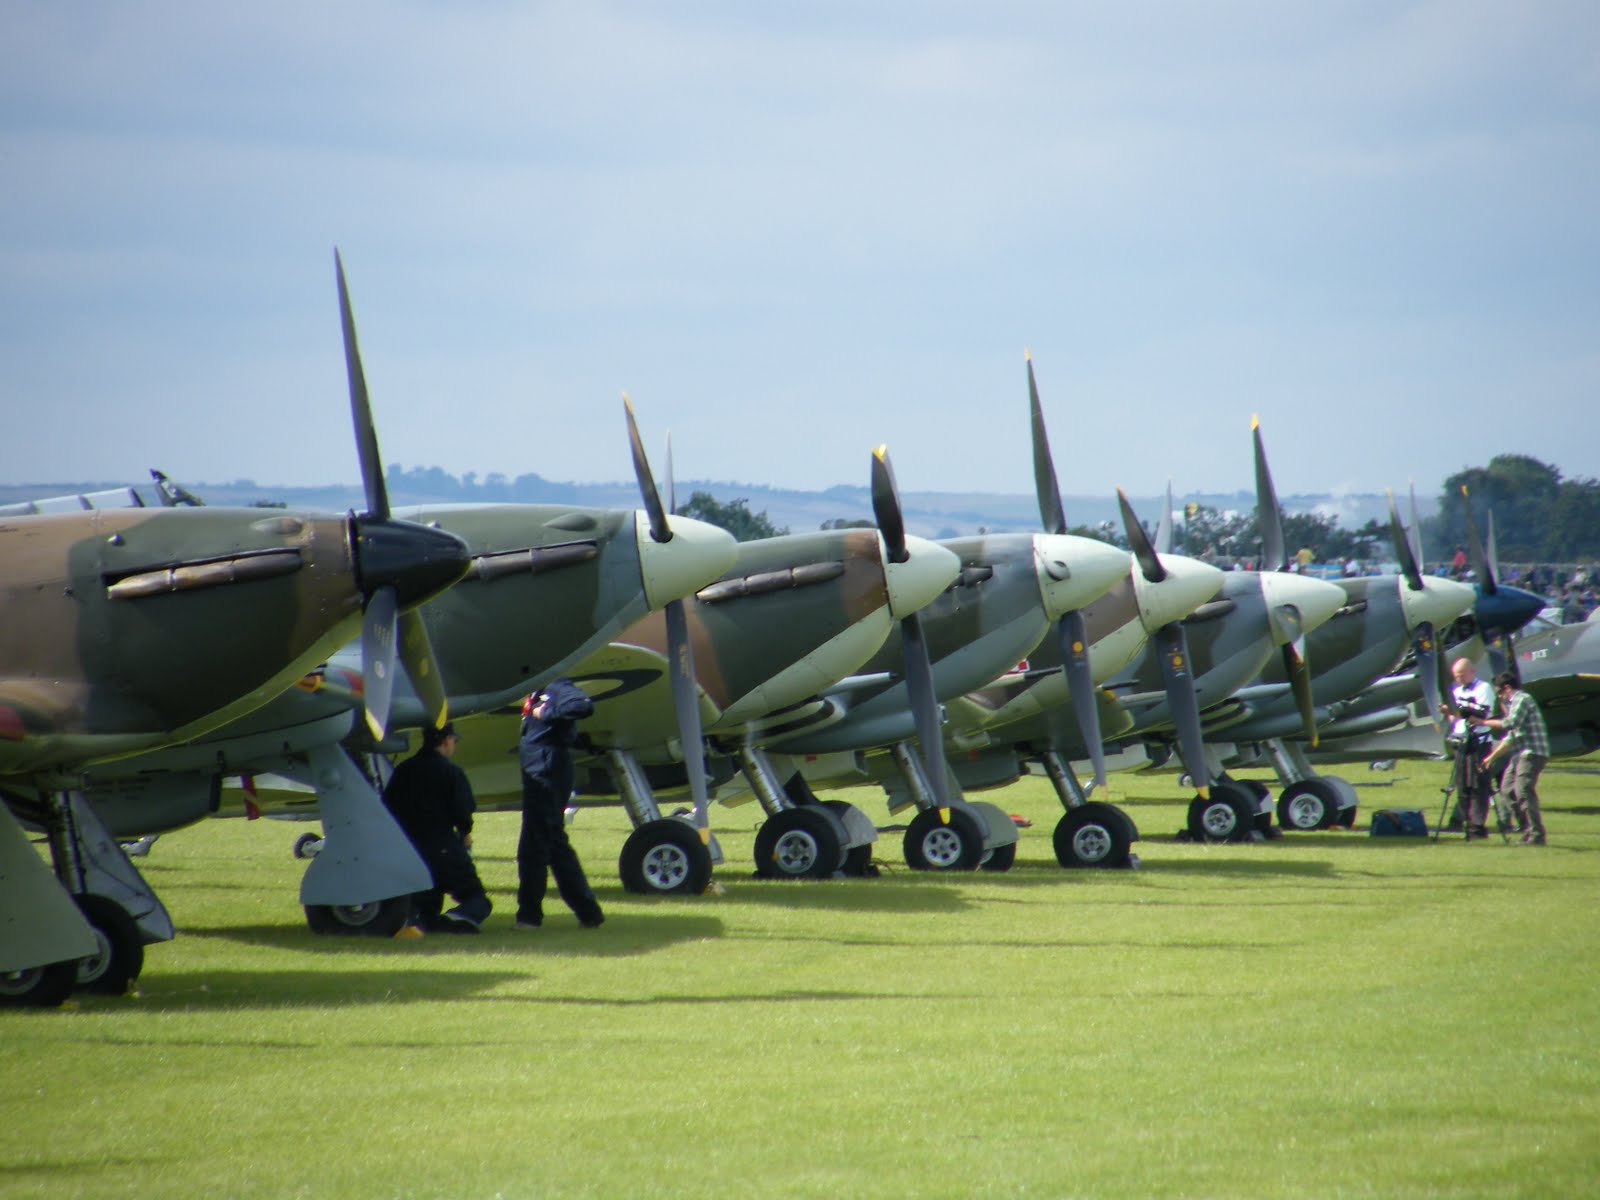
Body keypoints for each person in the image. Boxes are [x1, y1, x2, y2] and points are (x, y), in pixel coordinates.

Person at [381, 722, 492, 934]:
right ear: (446, 740)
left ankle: (419, 922)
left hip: (409, 849)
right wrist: (465, 834)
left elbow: (388, 806)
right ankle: (453, 921)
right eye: (454, 740)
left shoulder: (403, 770)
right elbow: (462, 811)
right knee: (478, 901)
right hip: (443, 845)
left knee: (425, 905)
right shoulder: (451, 772)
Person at [515, 679, 604, 929]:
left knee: (534, 846)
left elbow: (582, 706)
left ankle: (529, 916)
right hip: (543, 768)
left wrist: (546, 712)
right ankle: (588, 913)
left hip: (546, 770)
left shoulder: (555, 686)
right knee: (554, 844)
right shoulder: (539, 691)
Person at [1472, 672, 1551, 845]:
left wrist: (1482, 722)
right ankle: (1527, 829)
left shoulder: (1522, 699)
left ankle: (1537, 834)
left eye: (1500, 693)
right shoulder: (1514, 704)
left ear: (1507, 688)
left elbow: (1509, 724)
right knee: (1507, 790)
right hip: (1520, 754)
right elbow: (1510, 738)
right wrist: (1491, 758)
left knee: (1522, 790)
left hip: (1532, 753)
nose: (1500, 698)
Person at [1445, 659, 1497, 838]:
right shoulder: (1456, 691)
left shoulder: (1483, 688)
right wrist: (1450, 713)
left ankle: (1477, 825)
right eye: (1456, 676)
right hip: (1462, 742)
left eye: (1461, 675)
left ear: (1471, 672)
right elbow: (1457, 718)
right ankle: (1466, 822)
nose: (1458, 679)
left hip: (1479, 743)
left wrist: (1461, 711)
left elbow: (1481, 713)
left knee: (1478, 784)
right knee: (1463, 784)